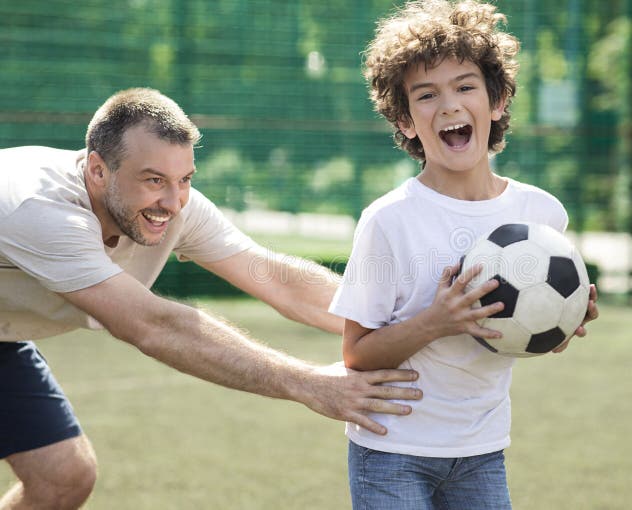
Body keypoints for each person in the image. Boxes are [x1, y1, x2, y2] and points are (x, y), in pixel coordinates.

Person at [0, 87, 423, 509]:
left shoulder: (176, 207)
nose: (171, 202)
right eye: (153, 180)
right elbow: (152, 325)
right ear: (97, 171)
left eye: (184, 179)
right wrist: (307, 382)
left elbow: (274, 277)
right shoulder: (42, 209)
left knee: (63, 478)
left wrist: (407, 322)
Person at [328, 1, 600, 508]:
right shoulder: (389, 220)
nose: (449, 105)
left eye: (465, 86)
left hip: (481, 450)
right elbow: (356, 354)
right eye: (426, 95)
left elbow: (524, 336)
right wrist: (437, 320)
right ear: (407, 121)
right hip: (392, 450)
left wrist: (559, 322)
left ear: (496, 102)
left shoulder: (541, 213)